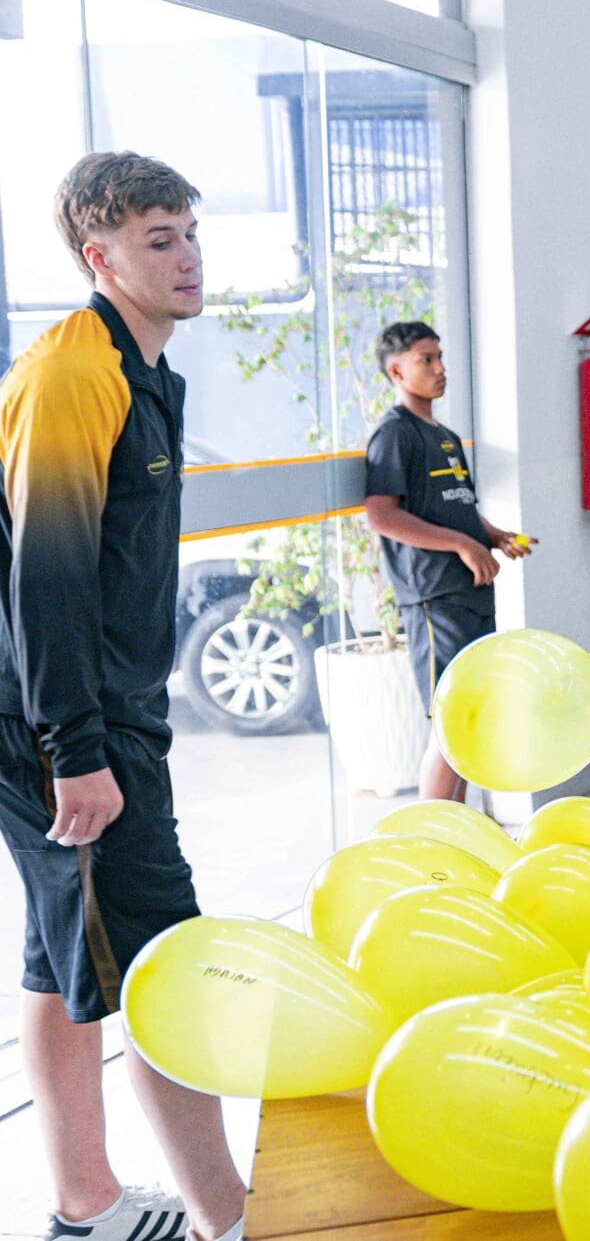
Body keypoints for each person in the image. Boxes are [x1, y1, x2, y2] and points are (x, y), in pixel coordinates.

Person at [0, 152, 246, 1241]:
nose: (187, 256)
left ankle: (84, 1204)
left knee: (62, 957)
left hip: (91, 714)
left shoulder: (144, 370)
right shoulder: (71, 375)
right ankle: (228, 1218)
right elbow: (46, 579)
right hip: (63, 723)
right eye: (159, 240)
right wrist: (78, 750)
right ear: (98, 257)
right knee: (162, 964)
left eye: (189, 233)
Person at [364, 321, 531, 800]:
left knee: (469, 719)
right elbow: (381, 515)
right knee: (448, 720)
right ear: (396, 372)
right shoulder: (393, 435)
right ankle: (433, 833)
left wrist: (492, 537)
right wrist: (461, 545)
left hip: (471, 593)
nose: (440, 369)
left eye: (440, 358)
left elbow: (458, 506)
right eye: (426, 360)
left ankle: (456, 826)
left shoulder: (447, 438)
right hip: (434, 597)